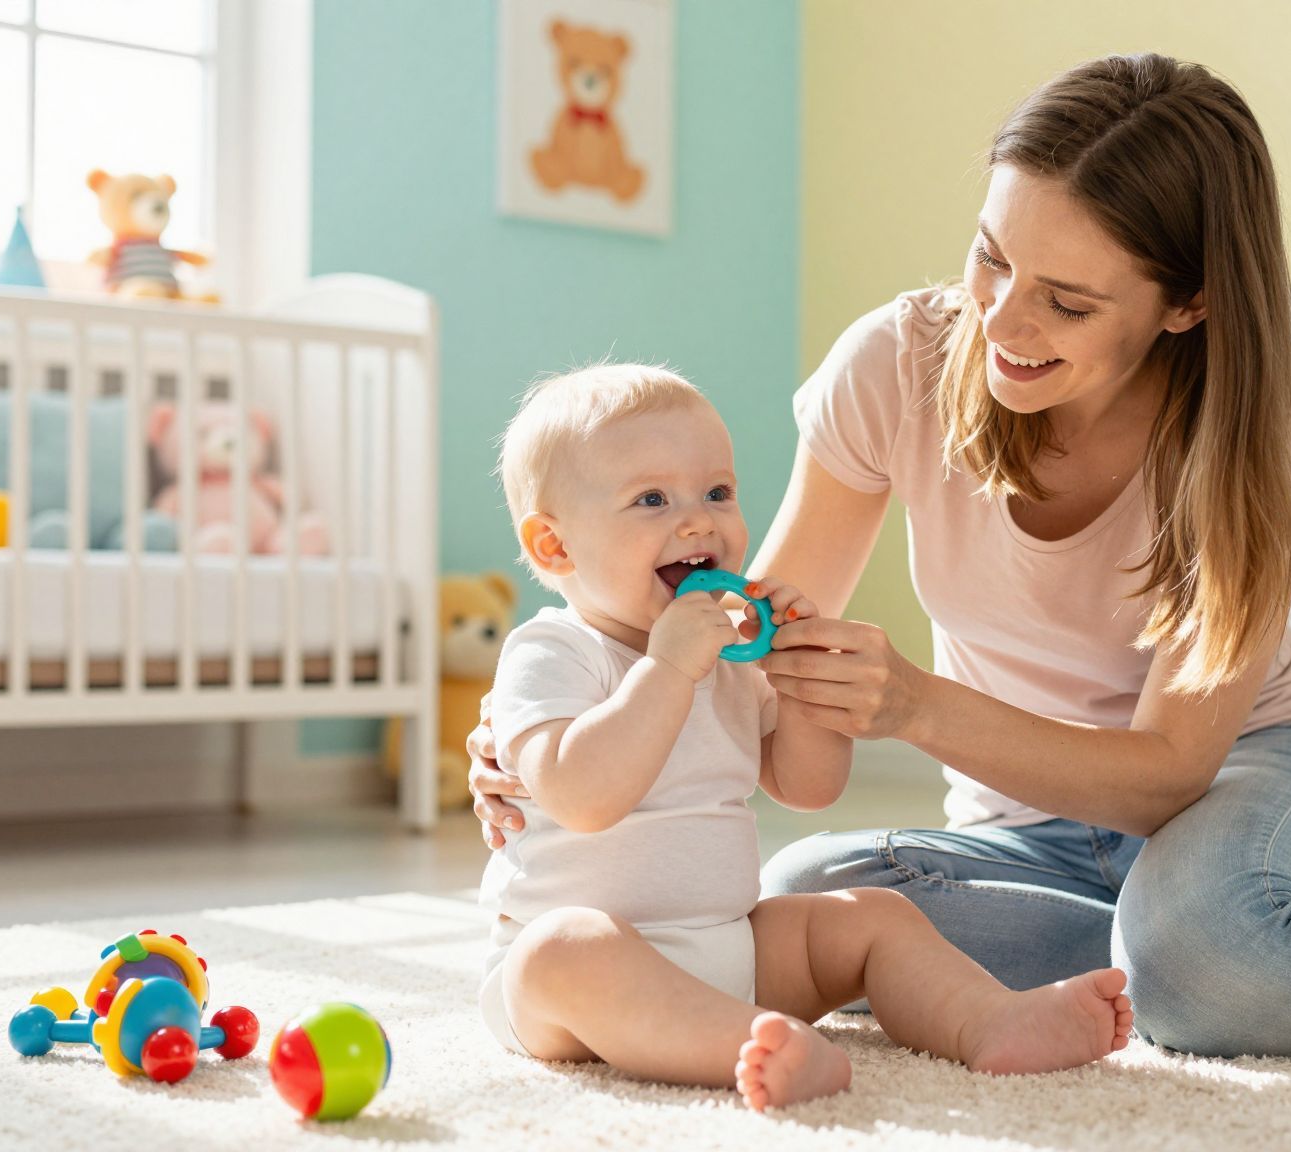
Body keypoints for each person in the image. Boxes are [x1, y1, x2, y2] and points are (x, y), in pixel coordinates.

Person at [473, 54, 1291, 1059]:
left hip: (1239, 782)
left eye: (1069, 300)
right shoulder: (902, 364)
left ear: (1187, 303)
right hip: (1017, 829)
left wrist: (917, 702)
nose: (1002, 322)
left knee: (1206, 976)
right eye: (992, 260)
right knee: (801, 900)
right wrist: (557, 731)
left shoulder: (1265, 436)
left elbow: (1165, 773)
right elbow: (755, 633)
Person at [476, 364, 1131, 1111]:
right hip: (572, 987)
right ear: (555, 547)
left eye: (717, 492)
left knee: (874, 918)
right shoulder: (552, 652)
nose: (698, 521)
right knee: (566, 949)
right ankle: (749, 1044)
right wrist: (665, 669)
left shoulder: (723, 654)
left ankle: (988, 1020)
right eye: (652, 499)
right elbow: (585, 796)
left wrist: (801, 674)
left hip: (729, 944)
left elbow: (809, 786)